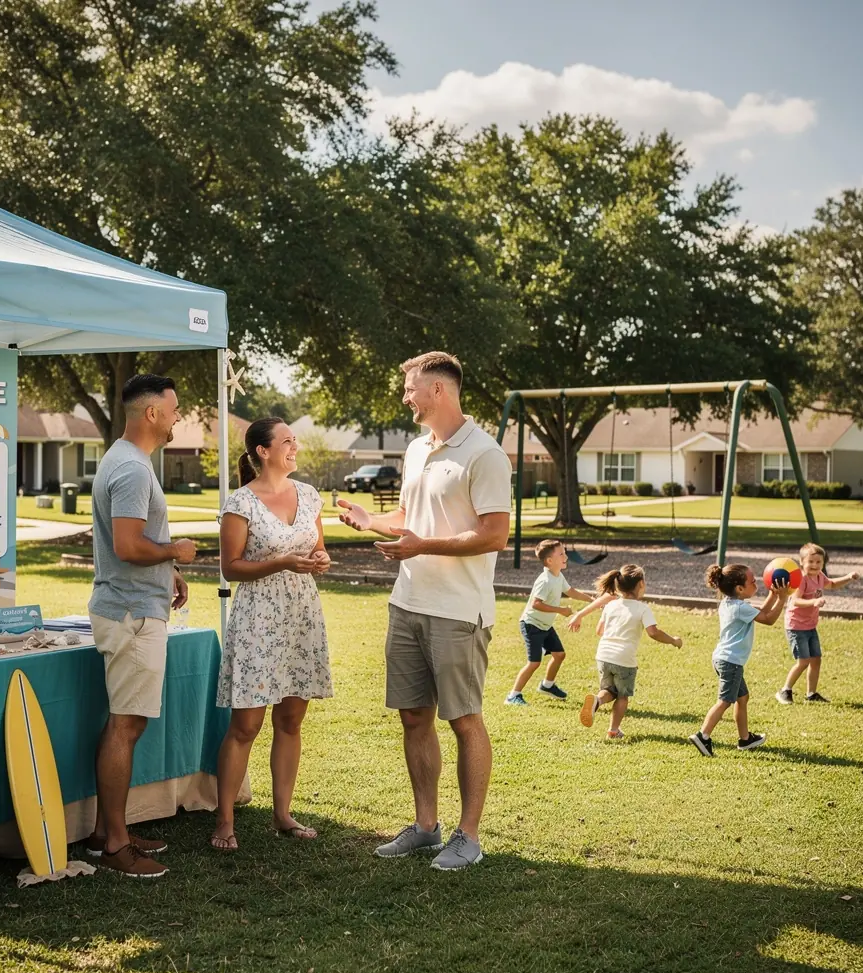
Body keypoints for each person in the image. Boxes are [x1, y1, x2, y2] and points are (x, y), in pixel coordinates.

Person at [337, 351, 511, 871]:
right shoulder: (416, 449)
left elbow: (493, 535)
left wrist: (422, 546)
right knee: (414, 717)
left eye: (410, 388)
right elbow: (411, 516)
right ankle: (426, 827)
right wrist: (372, 520)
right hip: (407, 602)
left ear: (438, 390)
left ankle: (468, 837)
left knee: (464, 720)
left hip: (458, 611)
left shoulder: (485, 453)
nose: (405, 396)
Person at [87, 374, 197, 878]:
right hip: (131, 613)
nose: (178, 417)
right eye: (174, 410)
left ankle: (106, 832)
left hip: (132, 604)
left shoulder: (126, 459)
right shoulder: (132, 468)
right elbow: (128, 546)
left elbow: (129, 541)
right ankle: (115, 845)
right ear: (151, 413)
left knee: (124, 722)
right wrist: (175, 550)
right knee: (126, 724)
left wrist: (165, 569)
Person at [213, 418, 332, 852]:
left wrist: (320, 559)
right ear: (263, 451)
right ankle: (225, 820)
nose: (294, 447)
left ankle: (283, 814)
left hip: (301, 615)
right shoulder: (240, 502)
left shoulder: (309, 495)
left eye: (294, 440)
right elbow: (231, 568)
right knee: (246, 725)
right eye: (286, 441)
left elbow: (318, 547)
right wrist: (281, 562)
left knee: (290, 720)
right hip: (257, 619)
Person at [689, 563, 788, 758]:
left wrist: (772, 595)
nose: (756, 583)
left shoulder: (730, 603)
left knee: (742, 698)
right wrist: (782, 599)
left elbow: (761, 612)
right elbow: (768, 619)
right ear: (740, 589)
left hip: (724, 659)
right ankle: (703, 735)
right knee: (725, 701)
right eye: (752, 581)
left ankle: (745, 739)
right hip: (731, 662)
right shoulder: (741, 608)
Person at [572, 565, 682, 737]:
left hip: (603, 655)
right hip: (624, 659)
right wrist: (673, 640)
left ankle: (597, 701)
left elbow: (599, 631)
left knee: (609, 690)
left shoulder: (611, 605)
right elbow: (653, 632)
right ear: (641, 584)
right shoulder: (643, 609)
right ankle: (613, 730)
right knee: (622, 696)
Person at [505, 539, 592, 705]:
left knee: (559, 655)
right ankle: (513, 695)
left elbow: (571, 591)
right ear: (550, 561)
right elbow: (536, 604)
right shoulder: (545, 580)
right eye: (561, 554)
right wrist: (561, 610)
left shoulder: (558, 576)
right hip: (532, 625)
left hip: (544, 626)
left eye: (564, 553)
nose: (566, 556)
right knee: (534, 663)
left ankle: (547, 685)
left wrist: (592, 600)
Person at [776, 542, 859, 705]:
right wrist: (814, 602)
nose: (814, 565)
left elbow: (832, 584)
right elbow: (795, 601)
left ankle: (811, 694)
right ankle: (785, 690)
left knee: (816, 659)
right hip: (796, 626)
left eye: (818, 562)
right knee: (803, 661)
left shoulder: (820, 576)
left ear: (823, 563)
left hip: (810, 626)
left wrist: (848, 577)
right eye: (810, 561)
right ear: (802, 562)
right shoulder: (802, 579)